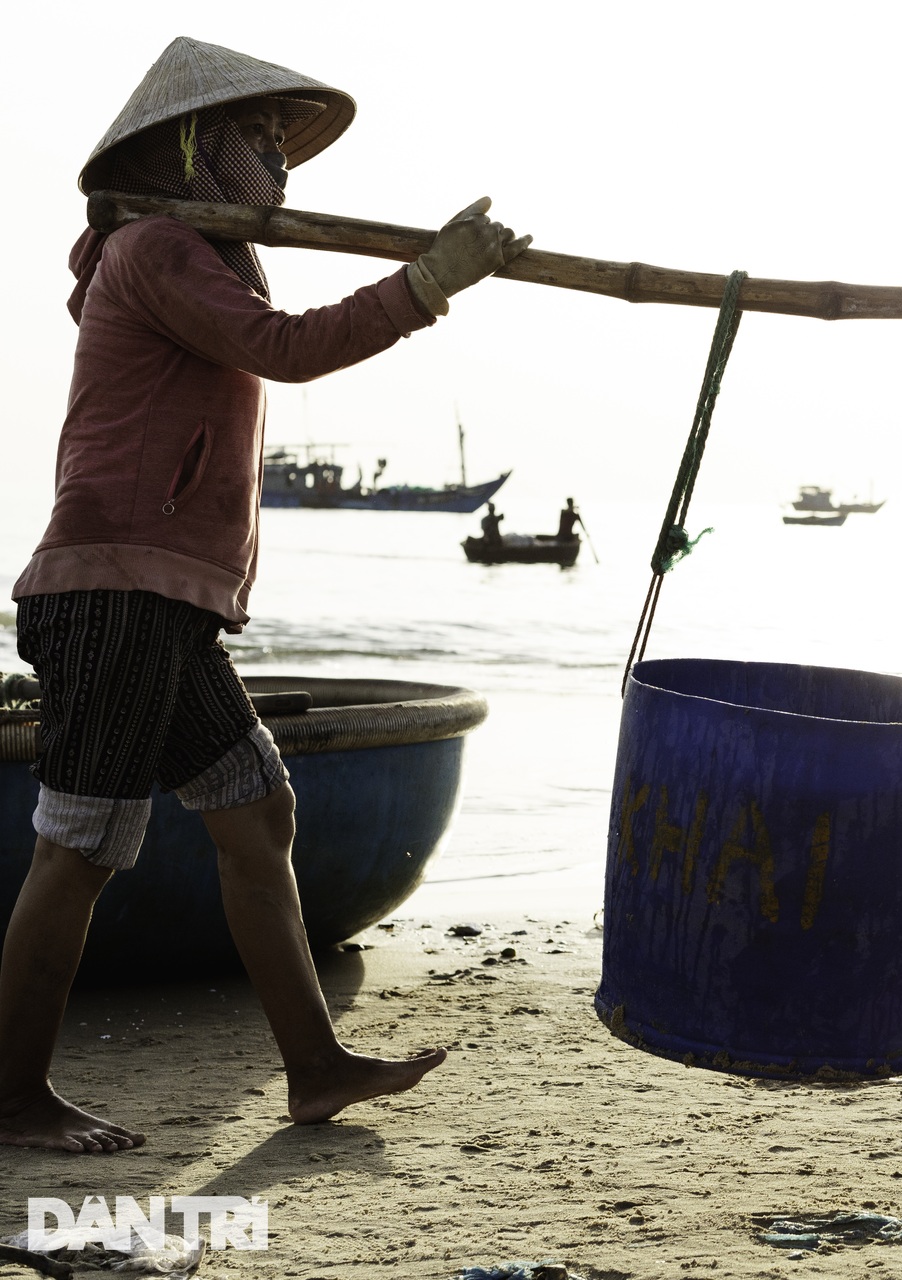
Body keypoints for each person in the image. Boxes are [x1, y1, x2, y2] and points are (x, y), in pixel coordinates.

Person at [1, 37, 531, 1154]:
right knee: (82, 847)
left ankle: (315, 1066)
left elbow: (269, 340)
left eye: (285, 147)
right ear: (194, 146)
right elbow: (287, 351)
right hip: (114, 592)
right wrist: (431, 280)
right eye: (259, 140)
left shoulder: (202, 253)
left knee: (258, 813)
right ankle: (10, 1091)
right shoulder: (153, 248)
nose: (282, 166)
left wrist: (434, 270)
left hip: (168, 604)